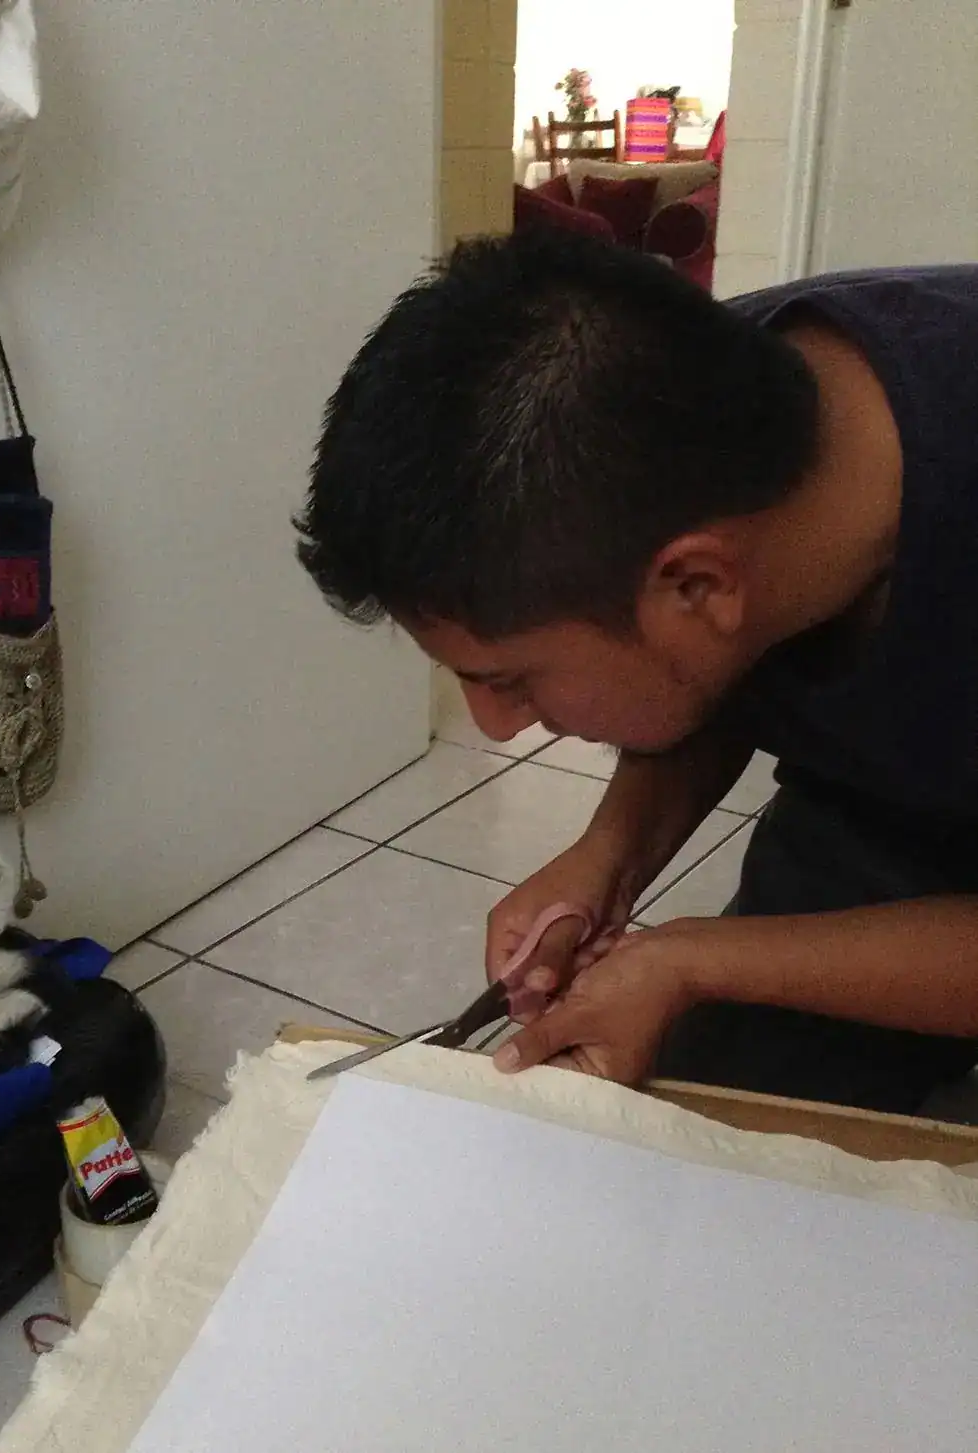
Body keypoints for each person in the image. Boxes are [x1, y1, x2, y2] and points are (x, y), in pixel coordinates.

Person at [293, 227, 978, 1115]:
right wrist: (611, 855)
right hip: (873, 817)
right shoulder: (680, 414)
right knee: (696, 1122)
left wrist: (695, 958)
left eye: (512, 678)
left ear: (696, 583)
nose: (495, 725)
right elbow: (718, 665)